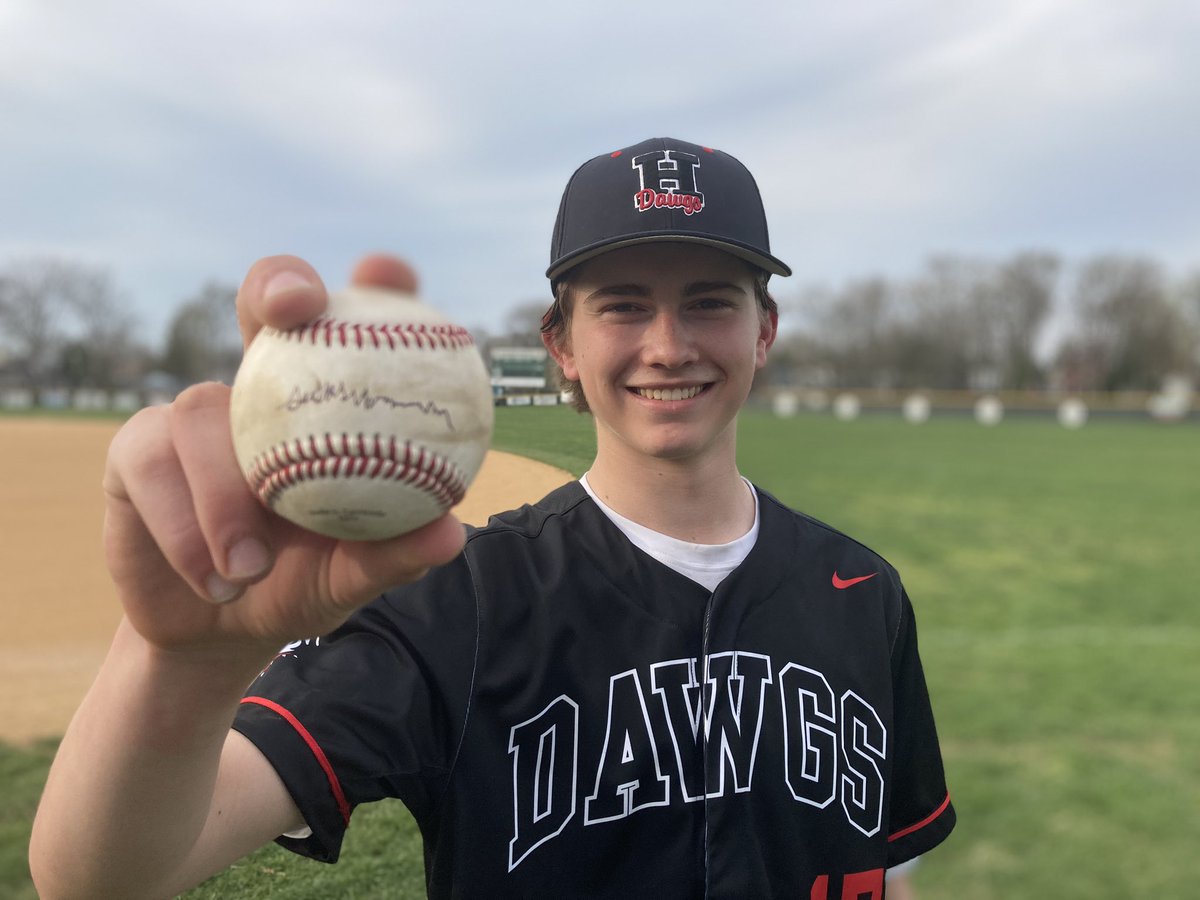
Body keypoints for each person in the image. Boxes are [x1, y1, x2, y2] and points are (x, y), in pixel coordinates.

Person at [29, 137, 954, 898]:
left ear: (764, 330)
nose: (668, 346)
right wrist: (184, 664)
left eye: (709, 303)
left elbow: (885, 865)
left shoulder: (862, 590)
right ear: (561, 346)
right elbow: (101, 879)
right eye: (623, 307)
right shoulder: (457, 600)